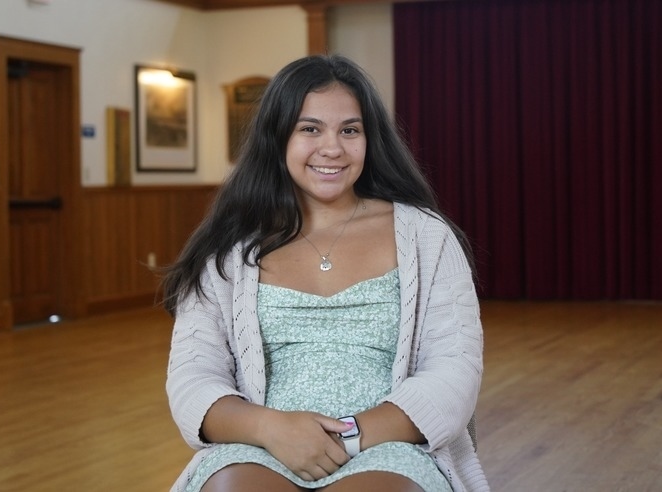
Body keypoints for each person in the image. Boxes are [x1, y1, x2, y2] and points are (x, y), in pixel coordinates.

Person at [162, 54, 489, 492]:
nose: (332, 148)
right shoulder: (227, 248)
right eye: (310, 129)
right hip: (259, 443)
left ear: (370, 139)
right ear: (278, 136)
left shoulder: (426, 237)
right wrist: (271, 430)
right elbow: (192, 377)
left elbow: (454, 371)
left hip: (389, 443)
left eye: (349, 130)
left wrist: (345, 438)